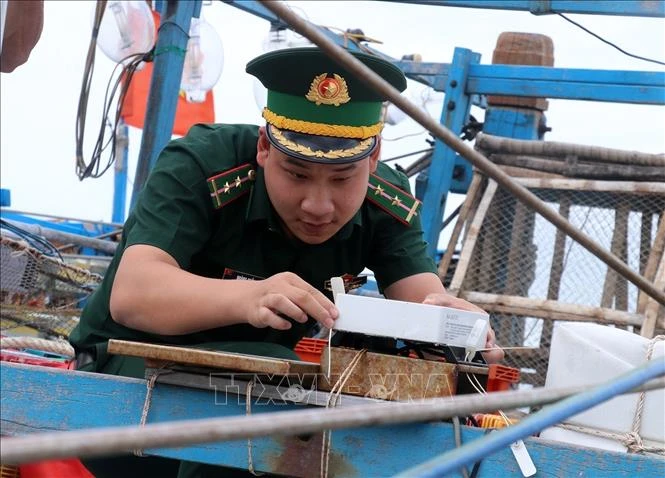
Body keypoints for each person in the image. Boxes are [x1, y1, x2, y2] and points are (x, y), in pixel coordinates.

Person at [69, 46, 503, 478]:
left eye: (342, 178)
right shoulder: (201, 164)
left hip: (264, 389)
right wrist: (250, 297)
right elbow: (133, 294)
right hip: (120, 380)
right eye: (296, 174)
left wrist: (461, 335)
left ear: (372, 159)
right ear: (264, 147)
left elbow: (424, 306)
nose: (318, 205)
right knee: (275, 386)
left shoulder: (386, 203)